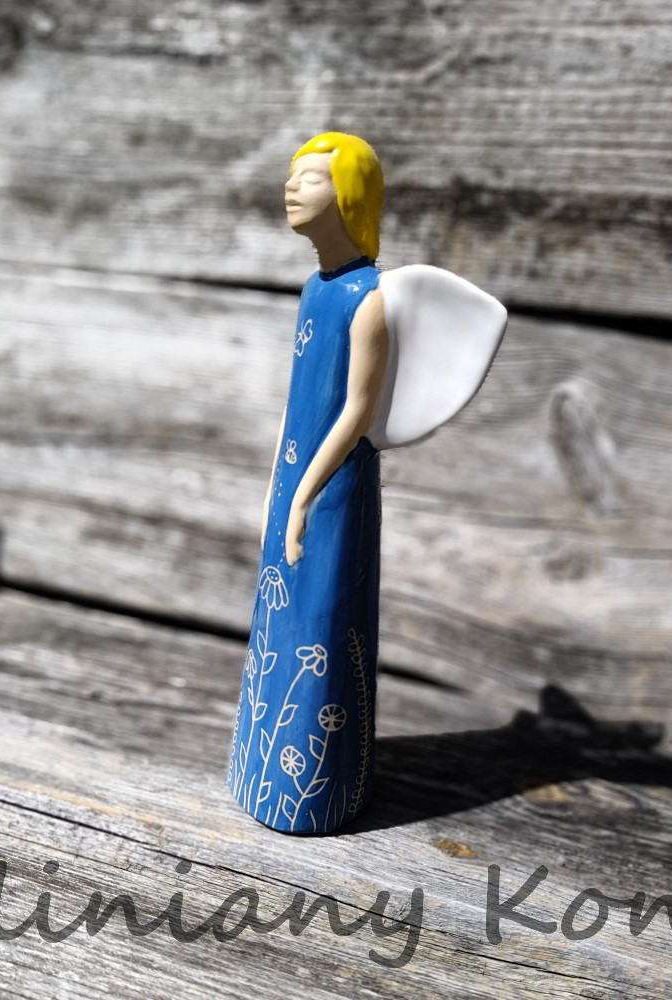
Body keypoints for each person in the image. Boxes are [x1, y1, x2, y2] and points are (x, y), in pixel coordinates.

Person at [226, 132, 389, 834]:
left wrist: (303, 496)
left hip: (335, 487)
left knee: (323, 615)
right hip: (294, 474)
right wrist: (275, 484)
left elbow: (356, 413)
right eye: (294, 175)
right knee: (277, 616)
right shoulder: (312, 291)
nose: (293, 187)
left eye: (313, 178)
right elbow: (296, 404)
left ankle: (320, 791)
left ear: (349, 198)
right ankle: (261, 773)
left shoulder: (369, 298)